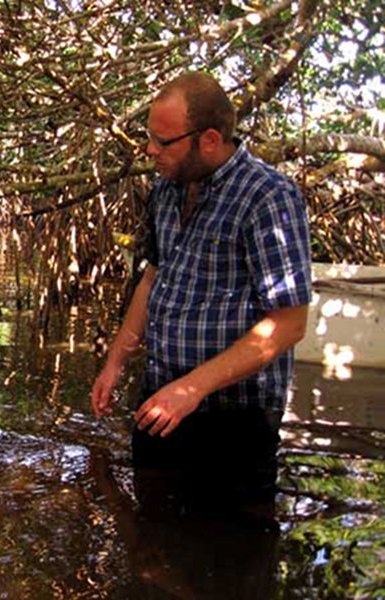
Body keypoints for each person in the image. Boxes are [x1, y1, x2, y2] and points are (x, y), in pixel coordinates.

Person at [91, 72, 312, 507]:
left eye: (163, 141)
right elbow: (153, 277)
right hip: (160, 399)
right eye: (149, 137)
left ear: (209, 139)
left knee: (229, 553)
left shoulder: (268, 197)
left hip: (235, 420)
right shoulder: (164, 190)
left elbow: (289, 324)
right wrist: (116, 361)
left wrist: (193, 387)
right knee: (151, 532)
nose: (150, 150)